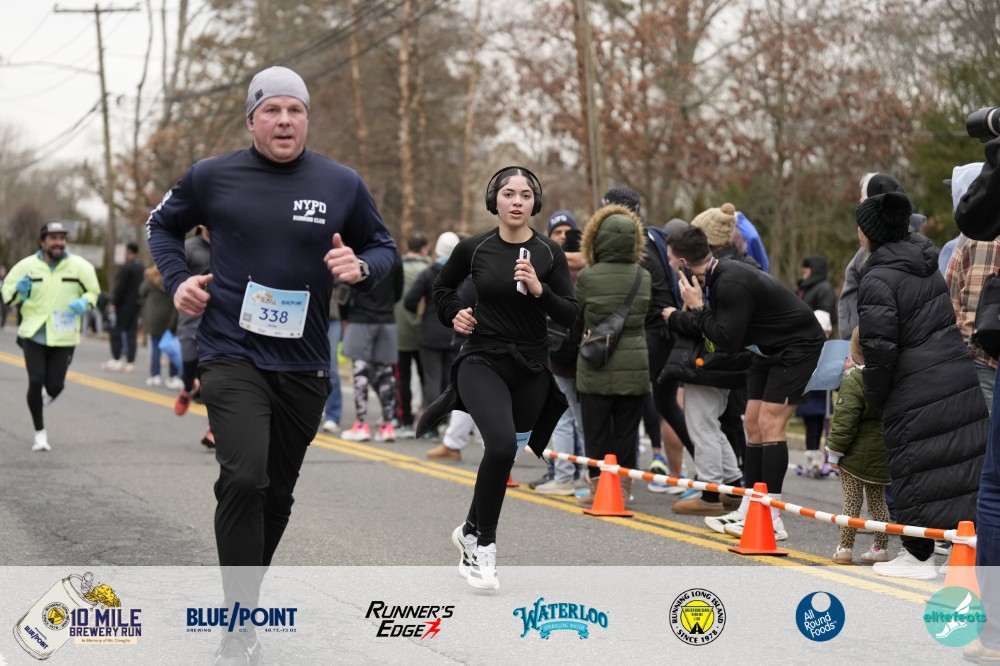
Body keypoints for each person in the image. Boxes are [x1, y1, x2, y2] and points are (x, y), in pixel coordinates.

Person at [145, 65, 397, 664]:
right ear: (251, 120)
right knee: (244, 478)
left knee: (276, 495)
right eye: (272, 111)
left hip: (305, 363)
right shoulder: (212, 176)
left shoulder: (341, 183)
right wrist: (178, 281)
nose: (285, 121)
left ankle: (243, 606)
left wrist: (361, 268)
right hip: (231, 351)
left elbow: (383, 247)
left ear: (306, 118)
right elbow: (161, 225)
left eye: (295, 110)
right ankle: (237, 629)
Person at [417, 166, 576, 591]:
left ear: (534, 203)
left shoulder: (549, 253)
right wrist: (455, 313)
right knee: (501, 445)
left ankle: (469, 529)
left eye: (525, 195)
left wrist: (541, 290)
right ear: (495, 200)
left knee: (508, 452)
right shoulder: (474, 248)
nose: (517, 201)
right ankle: (484, 547)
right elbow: (441, 289)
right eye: (508, 193)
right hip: (482, 357)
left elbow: (572, 315)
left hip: (531, 365)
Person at [854, 191, 987, 580]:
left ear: (869, 233)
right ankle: (966, 548)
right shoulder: (924, 261)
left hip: (913, 384)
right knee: (960, 467)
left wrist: (875, 395)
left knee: (912, 468)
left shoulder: (878, 276)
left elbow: (880, 348)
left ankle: (917, 555)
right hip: (953, 371)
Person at [664, 225, 825, 542]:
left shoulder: (729, 281)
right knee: (752, 422)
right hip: (765, 349)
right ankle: (750, 507)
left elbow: (726, 341)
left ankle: (772, 518)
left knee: (770, 423)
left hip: (798, 347)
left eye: (670, 259)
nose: (669, 264)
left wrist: (697, 307)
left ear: (682, 262)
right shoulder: (714, 277)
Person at [953, 135, 1000, 663]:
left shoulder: (968, 244)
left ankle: (995, 634)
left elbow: (972, 216)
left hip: (983, 350)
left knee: (994, 483)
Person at [1, 221, 100, 451]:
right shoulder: (26, 266)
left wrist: (84, 302)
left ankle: (43, 398)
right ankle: (40, 434)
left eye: (62, 238)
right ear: (42, 242)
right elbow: (7, 295)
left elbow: (93, 292)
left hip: (64, 336)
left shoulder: (80, 267)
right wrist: (19, 291)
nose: (58, 242)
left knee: (55, 386)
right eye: (53, 238)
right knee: (36, 380)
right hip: (33, 333)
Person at [827, 327, 891, 565]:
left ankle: (845, 548)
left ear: (854, 350)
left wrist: (834, 453)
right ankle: (880, 549)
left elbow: (845, 421)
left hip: (853, 457)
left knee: (852, 503)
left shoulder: (854, 380)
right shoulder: (888, 379)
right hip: (881, 453)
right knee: (879, 503)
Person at [533, 211, 586, 495]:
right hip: (563, 351)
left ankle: (568, 476)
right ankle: (578, 476)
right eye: (558, 232)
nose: (563, 237)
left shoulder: (554, 268)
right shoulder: (551, 267)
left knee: (568, 418)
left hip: (573, 354)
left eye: (568, 232)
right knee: (575, 417)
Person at [404, 232, 470, 444]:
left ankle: (432, 427)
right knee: (450, 381)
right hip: (456, 332)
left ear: (437, 250)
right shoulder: (466, 275)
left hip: (430, 333)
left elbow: (409, 301)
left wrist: (423, 314)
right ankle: (449, 423)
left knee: (432, 379)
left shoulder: (428, 273)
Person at [945, 162, 999, 409]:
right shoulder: (981, 233)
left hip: (983, 364)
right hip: (982, 363)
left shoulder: (983, 235)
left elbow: (977, 317)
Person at [340, 251, 403, 443]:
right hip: (386, 318)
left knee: (360, 373)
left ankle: (361, 424)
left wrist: (345, 316)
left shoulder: (356, 254)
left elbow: (344, 292)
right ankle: (387, 425)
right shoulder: (393, 255)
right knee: (386, 373)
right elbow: (398, 291)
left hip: (360, 318)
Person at [838, 173, 908, 341]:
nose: (860, 201)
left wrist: (854, 346)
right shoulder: (921, 249)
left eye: (863, 196)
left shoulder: (872, 260)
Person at [395, 230, 431, 438]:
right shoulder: (429, 269)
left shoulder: (396, 267)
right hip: (423, 330)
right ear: (425, 249)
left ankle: (405, 421)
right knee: (428, 378)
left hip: (400, 331)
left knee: (403, 378)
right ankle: (430, 422)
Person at [101, 241, 144, 373]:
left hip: (123, 305)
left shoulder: (127, 267)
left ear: (128, 252)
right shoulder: (141, 267)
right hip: (136, 305)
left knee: (116, 331)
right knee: (132, 334)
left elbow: (120, 287)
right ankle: (130, 362)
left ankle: (117, 359)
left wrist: (114, 303)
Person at [138, 265, 182, 388]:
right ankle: (173, 376)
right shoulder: (173, 281)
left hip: (154, 319)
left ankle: (155, 375)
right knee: (172, 349)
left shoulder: (150, 282)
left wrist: (147, 276)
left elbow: (141, 292)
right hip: (169, 318)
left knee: (155, 349)